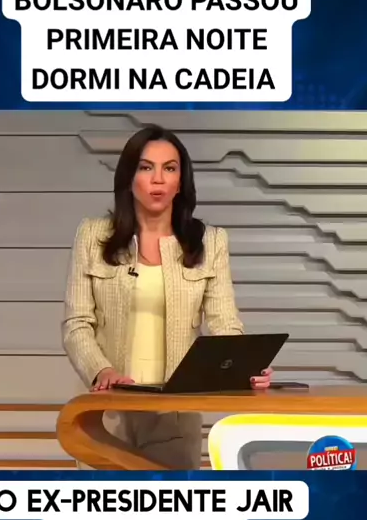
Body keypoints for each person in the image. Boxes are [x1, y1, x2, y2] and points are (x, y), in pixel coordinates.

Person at [62, 124, 272, 469]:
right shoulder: (92, 236)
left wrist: (246, 366)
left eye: (169, 168)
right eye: (146, 167)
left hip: (175, 415)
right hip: (105, 411)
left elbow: (225, 324)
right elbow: (77, 323)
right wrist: (102, 370)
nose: (158, 179)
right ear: (129, 178)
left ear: (181, 181)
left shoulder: (210, 242)